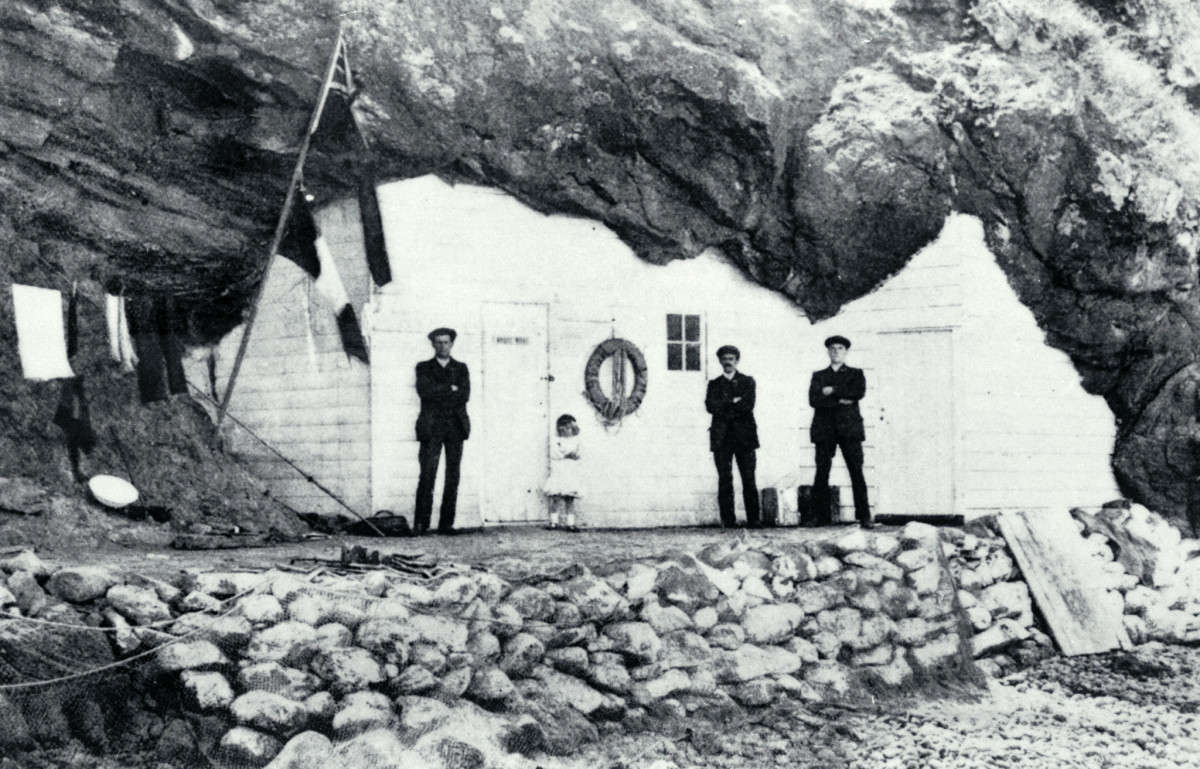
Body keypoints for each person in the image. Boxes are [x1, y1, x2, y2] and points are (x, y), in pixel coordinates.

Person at [808, 335, 873, 528]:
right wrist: (842, 399)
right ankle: (819, 517)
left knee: (856, 471)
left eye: (840, 348)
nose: (836, 351)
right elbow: (814, 400)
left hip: (849, 429)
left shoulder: (856, 373)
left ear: (846, 351)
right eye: (832, 348)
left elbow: (858, 393)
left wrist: (831, 391)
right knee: (821, 472)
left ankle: (864, 516)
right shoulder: (818, 375)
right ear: (828, 351)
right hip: (824, 429)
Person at [414, 327, 470, 535]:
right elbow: (424, 392)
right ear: (432, 345)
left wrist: (441, 389)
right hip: (431, 426)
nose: (442, 346)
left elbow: (464, 395)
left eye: (446, 342)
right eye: (438, 342)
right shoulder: (423, 367)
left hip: (455, 426)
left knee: (452, 476)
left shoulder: (461, 368)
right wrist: (450, 388)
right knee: (427, 474)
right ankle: (421, 523)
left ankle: (446, 524)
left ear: (452, 344)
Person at [705, 345, 761, 528]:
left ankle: (754, 520)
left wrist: (724, 405)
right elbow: (710, 407)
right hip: (722, 438)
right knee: (724, 479)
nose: (727, 362)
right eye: (724, 358)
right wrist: (732, 401)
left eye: (731, 358)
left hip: (744, 437)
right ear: (720, 361)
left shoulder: (748, 382)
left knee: (749, 478)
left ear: (737, 360)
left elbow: (747, 405)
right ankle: (728, 521)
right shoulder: (713, 384)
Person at [544, 414, 584, 531]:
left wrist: (574, 455)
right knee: (555, 497)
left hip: (570, 473)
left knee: (570, 499)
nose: (565, 431)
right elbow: (554, 454)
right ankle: (553, 522)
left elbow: (579, 454)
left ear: (573, 428)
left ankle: (570, 524)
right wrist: (566, 455)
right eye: (562, 429)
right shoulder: (556, 440)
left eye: (568, 429)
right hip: (559, 472)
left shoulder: (577, 441)